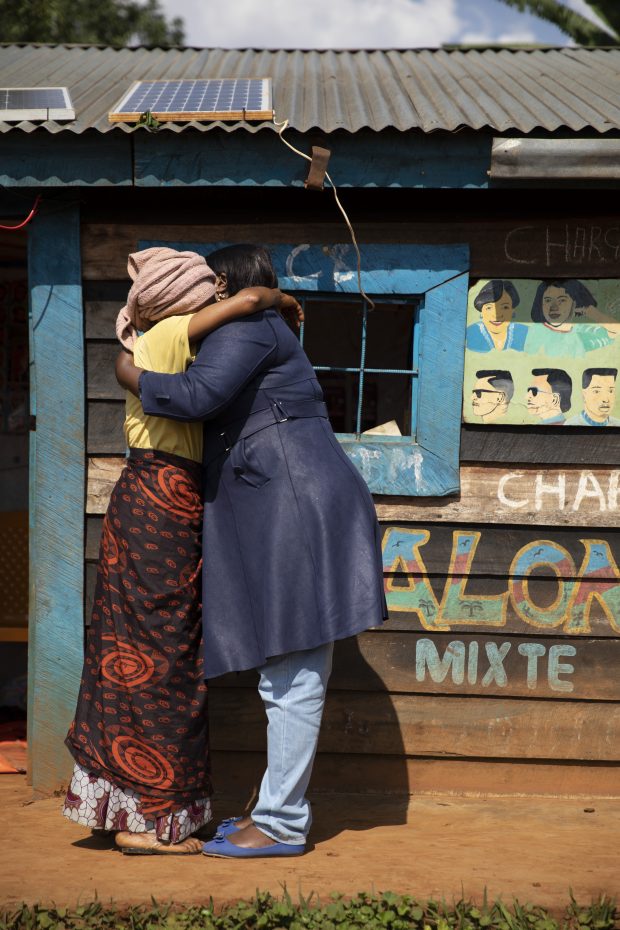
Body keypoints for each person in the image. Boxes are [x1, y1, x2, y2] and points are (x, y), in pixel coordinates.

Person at [116, 244, 387, 859]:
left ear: (226, 286)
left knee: (291, 670)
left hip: (295, 504)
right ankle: (275, 813)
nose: (202, 298)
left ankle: (283, 823)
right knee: (285, 668)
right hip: (288, 503)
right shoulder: (255, 320)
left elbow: (195, 397)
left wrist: (129, 374)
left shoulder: (249, 326)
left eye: (212, 285)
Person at [64, 248, 300, 855]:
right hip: (164, 503)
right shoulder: (172, 332)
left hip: (141, 499)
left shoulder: (147, 344)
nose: (217, 302)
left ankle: (116, 805)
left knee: (127, 646)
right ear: (188, 298)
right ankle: (148, 822)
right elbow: (249, 299)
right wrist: (281, 300)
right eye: (207, 292)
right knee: (167, 655)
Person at [526, 280, 620, 357]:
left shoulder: (581, 334)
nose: (553, 307)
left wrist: (590, 311)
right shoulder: (529, 331)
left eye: (562, 300)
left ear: (575, 303)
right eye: (548, 300)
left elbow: (616, 330)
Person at [466, 280, 527, 352]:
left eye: (505, 307)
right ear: (481, 312)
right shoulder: (470, 333)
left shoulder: (525, 333)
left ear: (512, 311)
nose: (497, 315)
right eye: (489, 308)